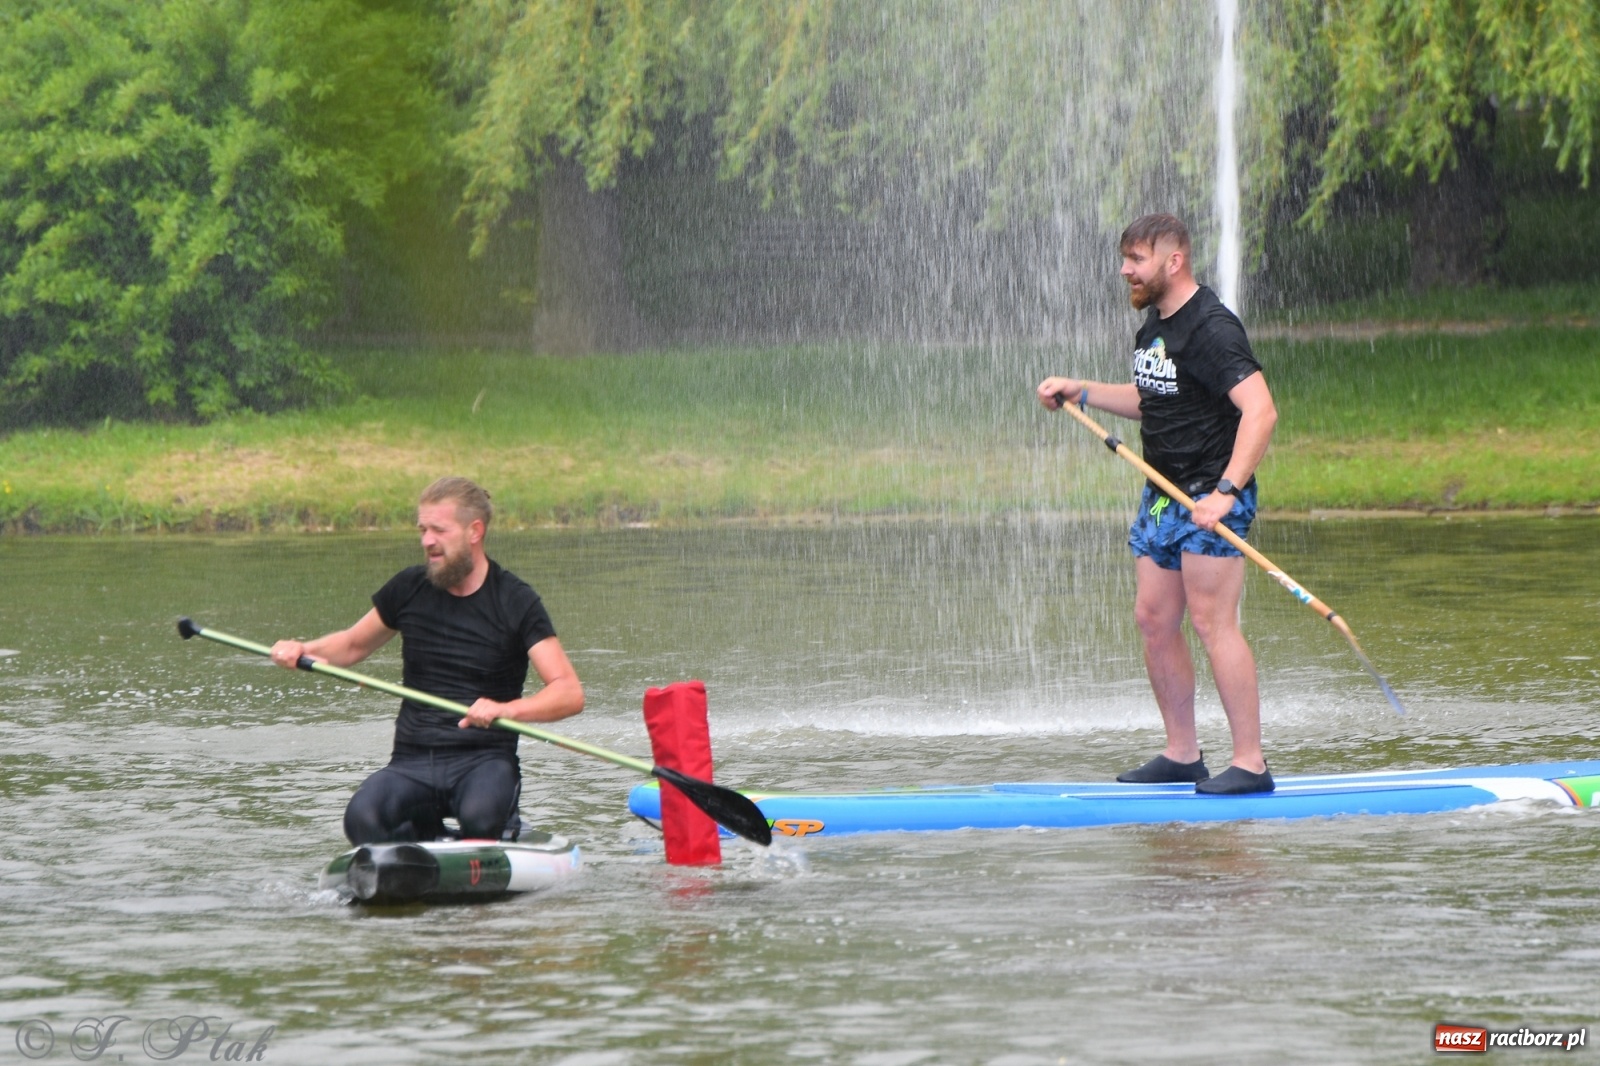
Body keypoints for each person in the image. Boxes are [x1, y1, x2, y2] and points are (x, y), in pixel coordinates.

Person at [1036, 213, 1278, 795]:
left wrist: (1225, 495)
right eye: (1125, 258)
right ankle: (1182, 753)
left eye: (1136, 259)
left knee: (1212, 622)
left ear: (1173, 261)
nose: (1125, 270)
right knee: (1153, 619)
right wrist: (1082, 391)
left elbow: (1261, 411)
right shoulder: (1153, 327)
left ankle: (1250, 763)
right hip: (1163, 495)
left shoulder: (1212, 329)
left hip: (1211, 494)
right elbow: (1154, 402)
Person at [271, 477, 584, 842]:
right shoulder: (409, 588)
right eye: (422, 529)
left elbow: (568, 692)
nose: (427, 541)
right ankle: (420, 846)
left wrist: (508, 710)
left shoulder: (516, 601)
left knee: (480, 820)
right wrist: (303, 649)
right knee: (363, 818)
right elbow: (353, 644)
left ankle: (502, 827)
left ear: (474, 531)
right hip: (413, 762)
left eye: (438, 529)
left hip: (484, 761)